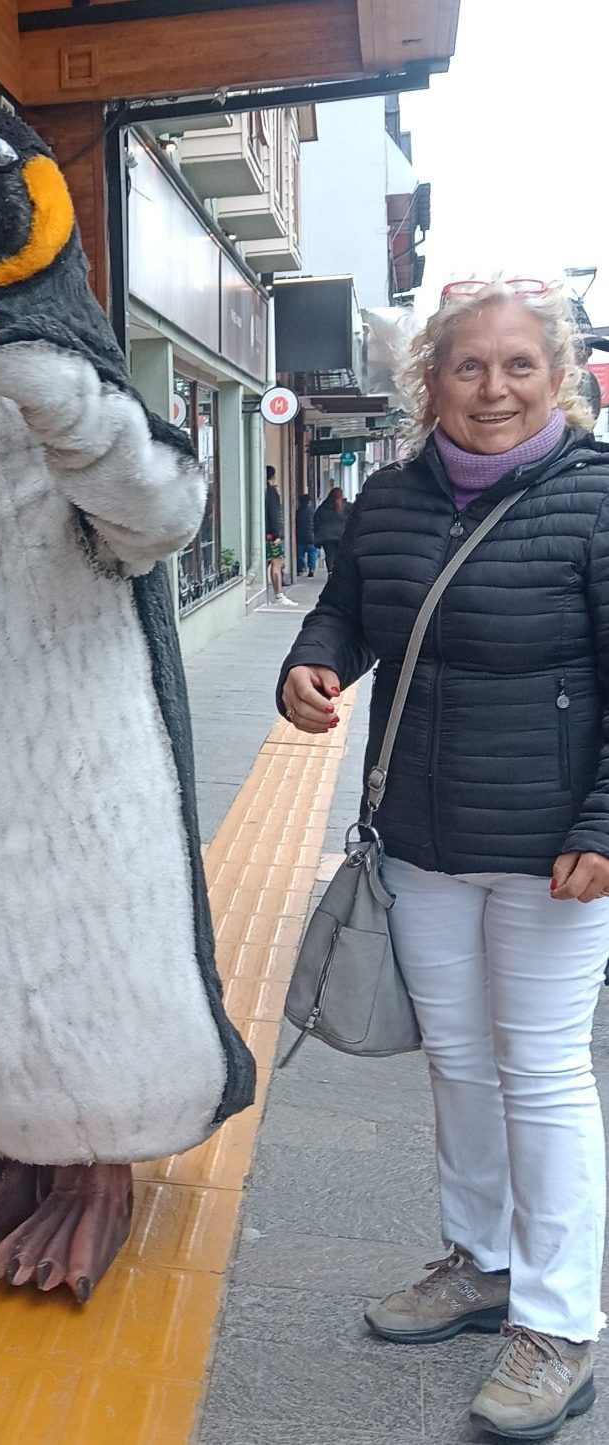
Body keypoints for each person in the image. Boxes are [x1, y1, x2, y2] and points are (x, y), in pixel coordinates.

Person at [278, 278, 609, 1441]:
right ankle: (480, 1263)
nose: (492, 388)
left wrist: (601, 826)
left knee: (543, 1069)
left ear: (555, 375)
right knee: (458, 1062)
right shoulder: (389, 496)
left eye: (518, 366)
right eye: (467, 367)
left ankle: (561, 1323)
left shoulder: (594, 499)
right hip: (418, 840)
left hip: (547, 851)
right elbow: (350, 612)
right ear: (430, 382)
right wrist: (308, 665)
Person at [264, 465, 295, 606]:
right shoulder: (272, 492)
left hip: (262, 533)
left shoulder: (261, 491)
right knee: (276, 563)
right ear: (273, 477)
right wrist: (276, 534)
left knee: (265, 563)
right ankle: (279, 596)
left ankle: (264, 594)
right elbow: (274, 514)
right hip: (271, 535)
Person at [313, 486, 347, 573]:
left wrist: (317, 533)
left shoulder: (323, 507)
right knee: (342, 555)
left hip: (327, 536)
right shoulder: (347, 507)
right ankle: (341, 572)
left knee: (330, 555)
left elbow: (316, 521)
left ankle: (331, 572)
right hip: (342, 535)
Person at [294, 488, 318, 577]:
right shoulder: (313, 512)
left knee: (300, 554)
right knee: (312, 553)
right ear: (309, 502)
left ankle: (300, 568)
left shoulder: (297, 513)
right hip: (311, 536)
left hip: (300, 536)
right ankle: (311, 568)